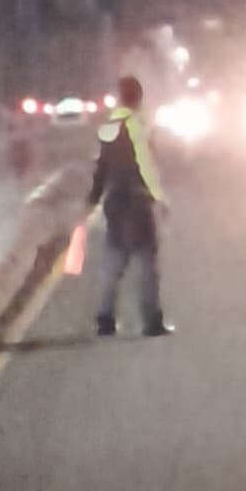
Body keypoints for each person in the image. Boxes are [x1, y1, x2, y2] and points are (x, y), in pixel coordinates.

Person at [88, 75, 170, 339]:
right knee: (146, 262)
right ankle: (152, 321)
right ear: (139, 98)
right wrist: (159, 196)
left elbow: (101, 167)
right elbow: (146, 165)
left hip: (115, 200)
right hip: (137, 201)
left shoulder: (110, 126)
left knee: (114, 261)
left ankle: (105, 318)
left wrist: (92, 199)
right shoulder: (140, 126)